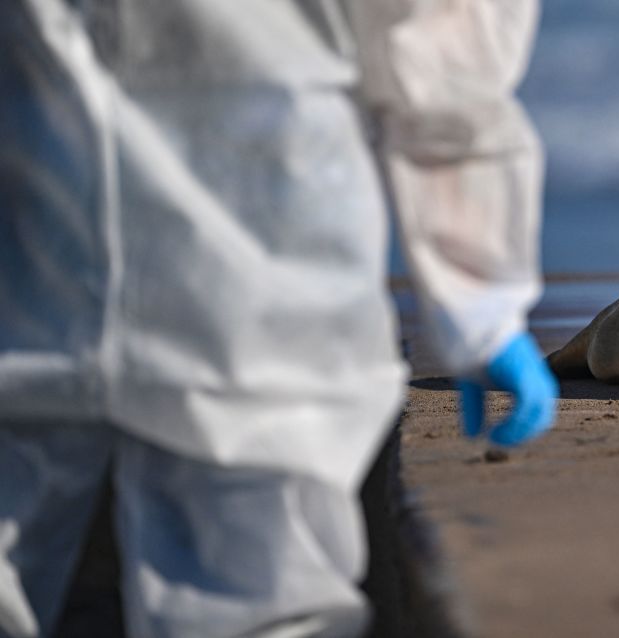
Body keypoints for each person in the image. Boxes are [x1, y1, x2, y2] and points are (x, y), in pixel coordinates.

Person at [0, 1, 557, 636]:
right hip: (262, 272)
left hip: (45, 249)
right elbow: (436, 55)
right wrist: (479, 296)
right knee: (262, 586)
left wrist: (480, 305)